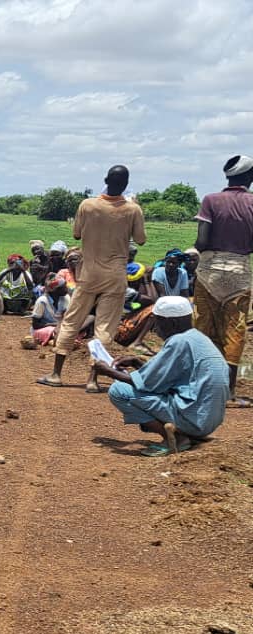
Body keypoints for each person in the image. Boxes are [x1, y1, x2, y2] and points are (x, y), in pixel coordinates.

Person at [38, 164, 146, 393]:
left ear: (105, 179)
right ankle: (93, 380)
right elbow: (141, 239)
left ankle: (57, 374)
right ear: (126, 185)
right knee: (105, 327)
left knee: (72, 320)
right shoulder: (133, 209)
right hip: (116, 274)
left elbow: (76, 233)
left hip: (89, 272)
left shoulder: (87, 205)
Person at [94, 296, 229, 456]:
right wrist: (138, 363)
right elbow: (166, 377)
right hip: (206, 417)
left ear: (171, 323)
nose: (155, 328)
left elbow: (146, 384)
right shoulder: (198, 338)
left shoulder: (178, 342)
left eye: (158, 322)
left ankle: (176, 437)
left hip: (193, 418)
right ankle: (186, 433)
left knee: (118, 391)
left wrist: (107, 371)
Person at [193, 154, 253, 405]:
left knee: (202, 328)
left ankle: (198, 385)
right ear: (249, 177)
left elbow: (202, 242)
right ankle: (228, 392)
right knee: (235, 330)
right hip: (239, 272)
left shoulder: (211, 200)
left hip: (209, 270)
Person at [30, 274, 70, 346]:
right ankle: (59, 340)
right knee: (53, 331)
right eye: (62, 287)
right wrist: (53, 325)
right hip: (44, 329)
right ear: (54, 290)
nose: (66, 288)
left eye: (65, 285)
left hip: (61, 327)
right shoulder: (42, 301)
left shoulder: (66, 298)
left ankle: (54, 340)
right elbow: (35, 325)